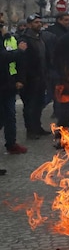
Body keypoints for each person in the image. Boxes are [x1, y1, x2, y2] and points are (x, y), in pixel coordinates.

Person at [18, 14, 52, 140]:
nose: (39, 24)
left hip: (41, 77)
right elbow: (22, 61)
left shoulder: (39, 38)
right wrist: (22, 79)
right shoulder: (24, 39)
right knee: (29, 106)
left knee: (38, 104)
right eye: (36, 22)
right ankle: (30, 130)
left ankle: (37, 127)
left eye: (39, 22)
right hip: (30, 79)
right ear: (29, 24)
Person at [0, 16, 27, 155]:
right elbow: (3, 57)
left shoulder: (9, 38)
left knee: (10, 115)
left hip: (8, 82)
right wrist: (19, 51)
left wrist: (19, 79)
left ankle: (11, 143)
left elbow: (19, 63)